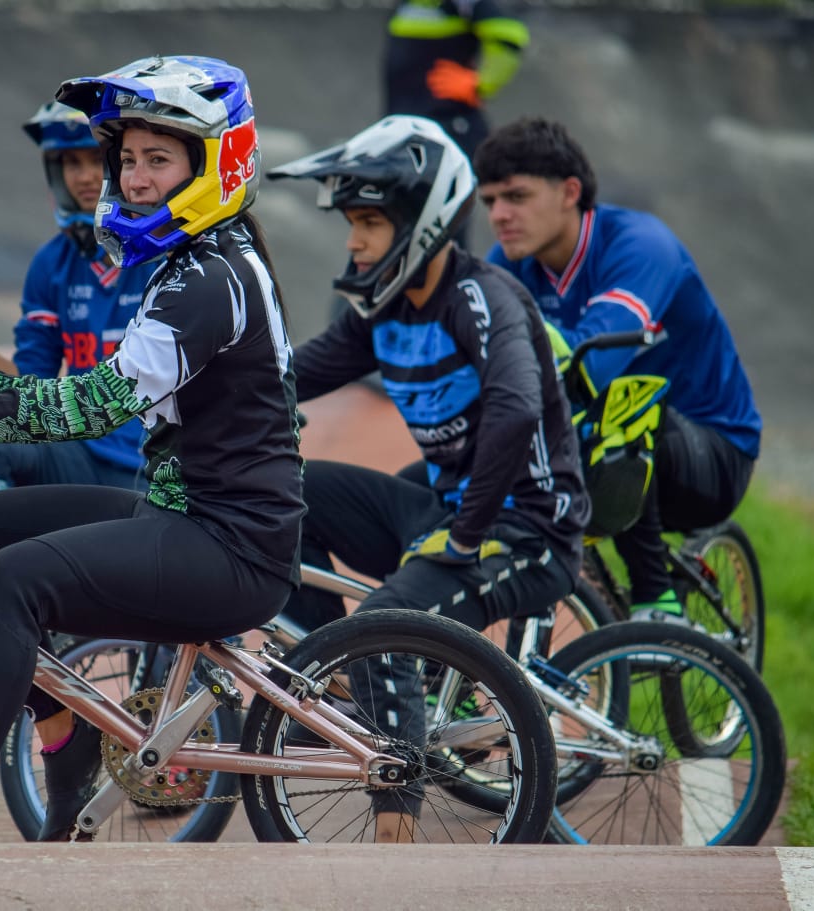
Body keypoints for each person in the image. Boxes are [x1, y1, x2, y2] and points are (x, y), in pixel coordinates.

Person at [0, 54, 303, 844]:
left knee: (17, 583)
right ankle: (66, 728)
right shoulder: (192, 263)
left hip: (231, 545)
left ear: (214, 162)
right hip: (187, 512)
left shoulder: (206, 278)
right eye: (126, 158)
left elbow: (91, 405)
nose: (130, 178)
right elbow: (78, 388)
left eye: (156, 159)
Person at [269, 115, 587, 840]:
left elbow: (512, 410)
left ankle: (395, 834)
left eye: (371, 222)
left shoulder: (481, 298)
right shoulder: (380, 309)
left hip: (524, 528)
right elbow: (286, 376)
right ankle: (342, 676)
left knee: (384, 626)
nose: (354, 240)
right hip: (447, 513)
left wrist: (465, 536)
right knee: (288, 492)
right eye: (352, 222)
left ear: (423, 220)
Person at [472, 116, 761, 618]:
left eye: (516, 197)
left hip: (713, 454)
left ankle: (656, 596)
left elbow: (594, 368)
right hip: (608, 446)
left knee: (619, 397)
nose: (499, 214)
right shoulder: (511, 260)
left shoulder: (641, 245)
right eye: (490, 202)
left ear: (569, 192)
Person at [0, 102, 161, 684]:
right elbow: (28, 387)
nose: (82, 176)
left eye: (92, 160)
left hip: (157, 468)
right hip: (80, 452)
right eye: (67, 163)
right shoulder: (50, 265)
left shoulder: (161, 252)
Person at [382, 0, 527, 247]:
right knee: (403, 230)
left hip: (449, 131)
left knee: (443, 233)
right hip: (406, 133)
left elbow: (510, 34)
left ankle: (451, 285)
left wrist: (481, 84)